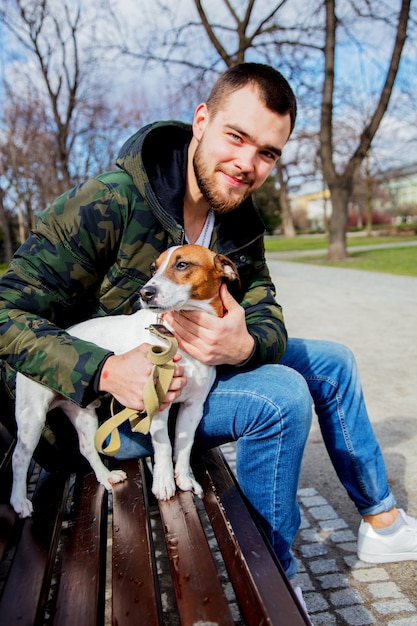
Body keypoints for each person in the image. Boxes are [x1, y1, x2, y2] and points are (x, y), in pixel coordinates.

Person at [0, 63, 415, 591]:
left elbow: (267, 313)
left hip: (193, 371)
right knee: (281, 397)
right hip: (102, 412)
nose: (247, 164)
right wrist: (103, 370)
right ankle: (273, 587)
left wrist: (246, 344)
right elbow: (5, 312)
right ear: (201, 121)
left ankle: (382, 523)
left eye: (267, 153)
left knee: (334, 360)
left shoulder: (239, 222)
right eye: (236, 137)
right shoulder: (110, 200)